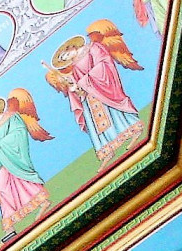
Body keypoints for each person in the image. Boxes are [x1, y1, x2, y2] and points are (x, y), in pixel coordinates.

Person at [45, 22, 143, 163]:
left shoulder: (93, 48)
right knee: (95, 123)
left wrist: (85, 81)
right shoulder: (74, 66)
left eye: (66, 54)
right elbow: (77, 86)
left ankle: (134, 130)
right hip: (89, 99)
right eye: (64, 59)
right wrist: (73, 88)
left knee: (114, 112)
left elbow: (104, 65)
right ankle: (107, 150)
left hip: (103, 90)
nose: (67, 58)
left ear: (72, 46)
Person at [0, 92, 53, 241]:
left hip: (16, 158)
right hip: (5, 162)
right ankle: (9, 227)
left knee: (20, 182)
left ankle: (43, 202)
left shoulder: (11, 118)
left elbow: (18, 134)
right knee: (2, 187)